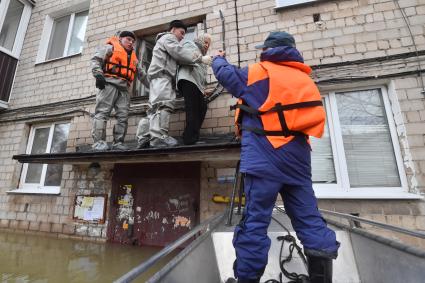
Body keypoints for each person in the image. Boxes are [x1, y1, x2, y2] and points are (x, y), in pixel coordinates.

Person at [212, 31, 340, 283]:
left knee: (255, 222)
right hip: (298, 162)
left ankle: (247, 279)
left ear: (268, 50)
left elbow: (226, 75)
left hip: (264, 159)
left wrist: (217, 58)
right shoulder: (305, 80)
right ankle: (321, 279)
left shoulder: (259, 72)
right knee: (310, 219)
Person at [136, 20, 212, 148]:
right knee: (163, 105)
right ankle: (158, 138)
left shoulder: (163, 40)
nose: (182, 36)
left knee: (153, 109)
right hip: (163, 77)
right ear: (173, 29)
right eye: (181, 33)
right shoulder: (168, 38)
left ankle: (144, 138)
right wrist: (200, 59)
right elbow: (179, 52)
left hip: (157, 79)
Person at [91, 30, 146, 151]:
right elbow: (95, 60)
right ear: (120, 39)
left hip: (124, 88)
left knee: (123, 116)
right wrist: (98, 74)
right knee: (102, 113)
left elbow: (142, 74)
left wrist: (153, 86)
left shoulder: (133, 57)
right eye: (128, 39)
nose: (131, 43)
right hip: (109, 84)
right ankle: (98, 143)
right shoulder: (110, 48)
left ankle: (118, 143)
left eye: (133, 41)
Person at [177, 33, 212, 145]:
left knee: (202, 107)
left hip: (196, 84)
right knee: (193, 108)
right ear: (200, 40)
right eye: (205, 42)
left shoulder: (202, 56)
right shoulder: (190, 44)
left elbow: (200, 75)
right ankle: (189, 139)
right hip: (188, 80)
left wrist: (203, 90)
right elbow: (184, 57)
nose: (207, 45)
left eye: (208, 44)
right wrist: (201, 58)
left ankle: (191, 136)